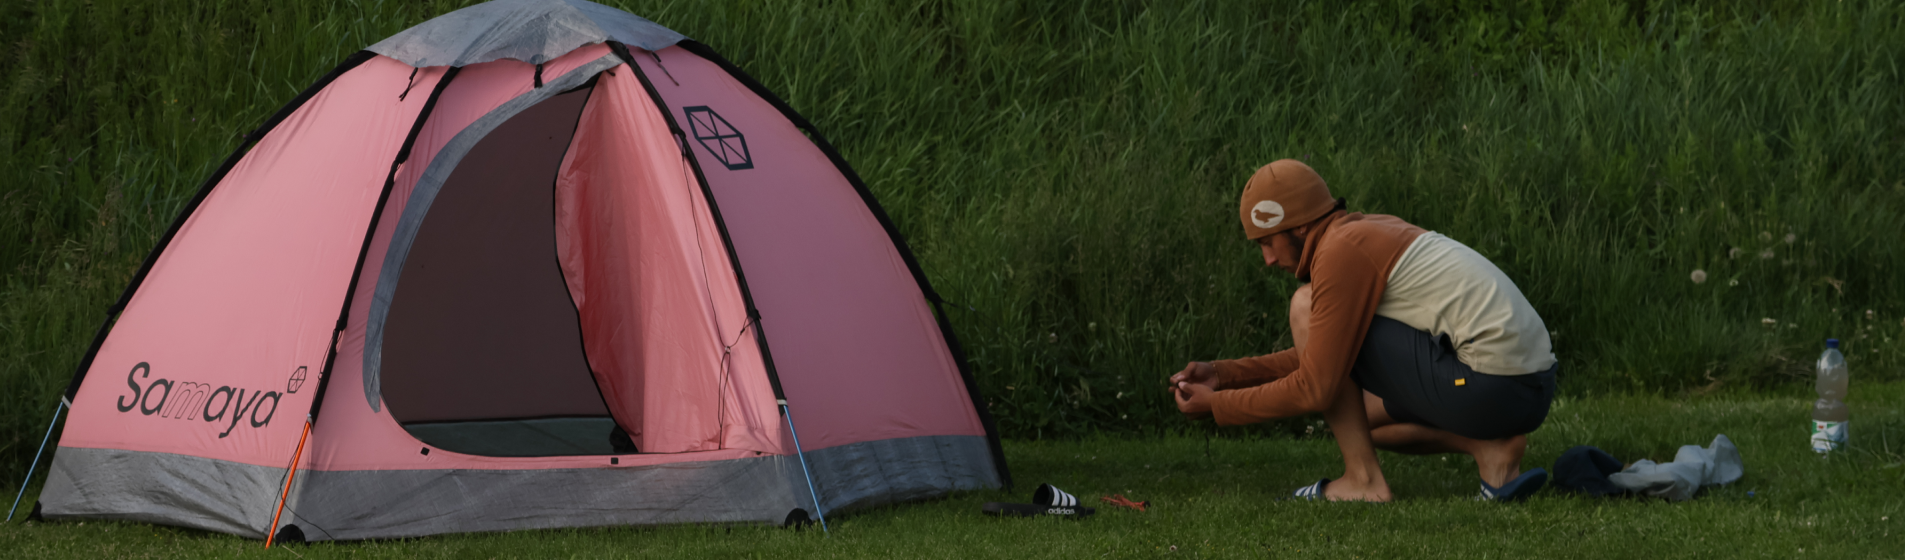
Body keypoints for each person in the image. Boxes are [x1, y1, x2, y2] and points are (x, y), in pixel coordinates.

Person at [1170, 159, 1558, 502]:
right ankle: (1490, 449)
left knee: (1304, 305)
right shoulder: (1364, 231)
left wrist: (1216, 405)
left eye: (1268, 242)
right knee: (1364, 420)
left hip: (1492, 385)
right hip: (1527, 386)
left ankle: (1363, 482)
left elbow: (1317, 386)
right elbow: (1328, 350)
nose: (1268, 259)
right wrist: (1224, 375)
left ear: (1300, 226)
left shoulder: (1340, 252)